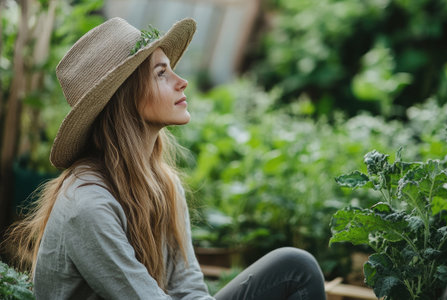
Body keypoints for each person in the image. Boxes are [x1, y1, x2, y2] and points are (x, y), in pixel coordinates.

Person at [7, 17, 326, 300]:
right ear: (126, 98)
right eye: (161, 73)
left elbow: (190, 289)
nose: (181, 81)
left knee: (295, 267)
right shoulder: (86, 206)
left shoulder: (162, 183)